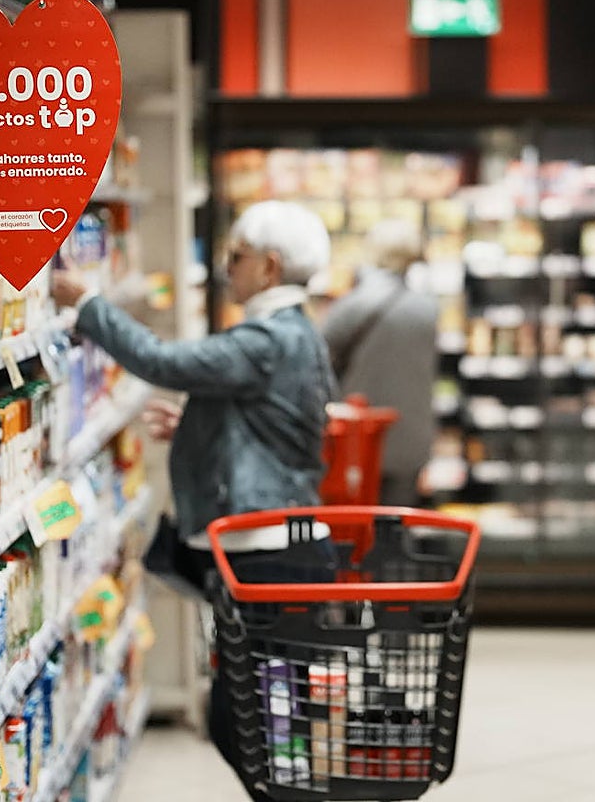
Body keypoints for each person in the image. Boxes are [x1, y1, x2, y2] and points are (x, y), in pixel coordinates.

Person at [51, 199, 338, 802]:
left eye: (236, 256)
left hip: (266, 549)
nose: (227, 267)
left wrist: (89, 304)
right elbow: (270, 426)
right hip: (277, 542)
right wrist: (198, 431)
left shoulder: (269, 337)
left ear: (269, 265)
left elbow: (164, 361)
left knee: (252, 719)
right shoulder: (293, 333)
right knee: (261, 716)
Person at [321, 218, 438, 506]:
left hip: (357, 439)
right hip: (410, 438)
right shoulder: (427, 309)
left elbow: (318, 359)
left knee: (354, 529)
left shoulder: (352, 305)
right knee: (395, 526)